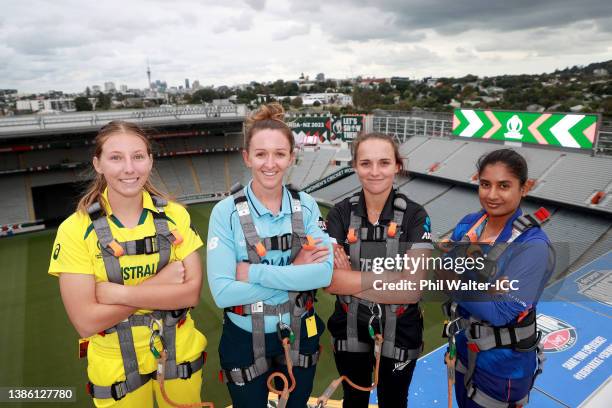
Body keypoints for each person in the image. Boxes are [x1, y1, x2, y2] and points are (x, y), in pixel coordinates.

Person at [48, 121, 207, 407]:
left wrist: (119, 294)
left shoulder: (176, 215)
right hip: (114, 365)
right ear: (98, 164)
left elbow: (191, 293)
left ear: (150, 160)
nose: (129, 168)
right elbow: (86, 321)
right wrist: (159, 285)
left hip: (179, 351)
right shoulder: (74, 229)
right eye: (116, 157)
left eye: (138, 156)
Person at [206, 103, 333, 408]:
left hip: (301, 331)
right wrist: (297, 271)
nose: (270, 164)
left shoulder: (306, 205)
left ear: (291, 157)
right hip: (243, 338)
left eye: (279, 154)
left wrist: (253, 273)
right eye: (261, 154)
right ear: (247, 157)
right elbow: (223, 293)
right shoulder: (225, 213)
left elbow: (324, 272)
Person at [324, 132, 433, 407]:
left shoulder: (416, 215)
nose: (374, 172)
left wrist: (352, 278)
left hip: (402, 329)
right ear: (354, 166)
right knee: (354, 399)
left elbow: (411, 290)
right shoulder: (338, 214)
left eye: (384, 163)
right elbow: (331, 282)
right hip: (350, 327)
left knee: (394, 402)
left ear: (397, 166)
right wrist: (392, 279)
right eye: (365, 163)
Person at [442, 148, 555, 408]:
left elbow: (500, 311)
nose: (492, 195)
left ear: (524, 187)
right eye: (485, 184)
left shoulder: (533, 245)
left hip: (503, 367)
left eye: (504, 185)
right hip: (464, 346)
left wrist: (452, 279)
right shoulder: (470, 223)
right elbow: (447, 264)